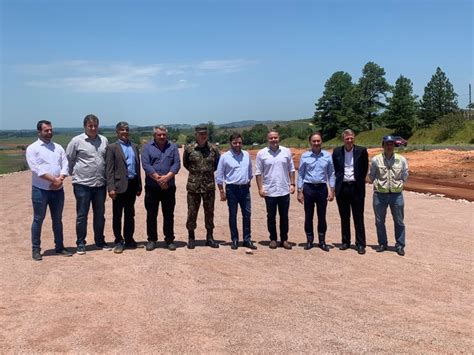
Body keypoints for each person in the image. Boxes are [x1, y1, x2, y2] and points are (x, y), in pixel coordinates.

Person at [26, 120, 72, 261]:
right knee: (38, 219)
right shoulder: (32, 149)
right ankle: (36, 249)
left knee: (57, 220)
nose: (49, 132)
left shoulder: (57, 147)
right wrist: (54, 180)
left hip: (58, 190)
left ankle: (59, 247)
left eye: (51, 130)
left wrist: (61, 179)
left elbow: (65, 164)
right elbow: (36, 169)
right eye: (46, 130)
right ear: (39, 132)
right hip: (40, 190)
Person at [66, 114, 111, 255]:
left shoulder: (104, 140)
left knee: (100, 214)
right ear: (85, 126)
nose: (93, 128)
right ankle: (80, 243)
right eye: (90, 126)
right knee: (82, 215)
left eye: (95, 125)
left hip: (100, 184)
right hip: (82, 185)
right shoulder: (76, 141)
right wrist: (75, 175)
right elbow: (68, 159)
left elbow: (106, 159)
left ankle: (99, 241)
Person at [141, 125, 181, 251]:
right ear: (155, 135)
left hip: (169, 187)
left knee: (168, 214)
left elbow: (176, 164)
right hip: (152, 187)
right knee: (151, 214)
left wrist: (166, 178)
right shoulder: (147, 147)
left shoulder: (173, 147)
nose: (162, 137)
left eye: (164, 134)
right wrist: (159, 179)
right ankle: (152, 240)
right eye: (159, 134)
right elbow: (146, 165)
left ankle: (169, 239)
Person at [105, 121, 142, 254]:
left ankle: (129, 239)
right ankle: (118, 241)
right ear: (117, 132)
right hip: (118, 186)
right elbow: (109, 170)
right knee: (117, 215)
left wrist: (139, 185)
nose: (125, 132)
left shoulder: (134, 146)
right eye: (122, 130)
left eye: (126, 129)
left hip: (132, 185)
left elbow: (137, 167)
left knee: (130, 214)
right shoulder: (112, 147)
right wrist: (111, 188)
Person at [369, 135, 409, 256]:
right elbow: (372, 175)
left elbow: (405, 175)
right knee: (379, 221)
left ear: (394, 145)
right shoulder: (376, 160)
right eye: (387, 144)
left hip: (396, 195)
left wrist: (400, 184)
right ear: (383, 145)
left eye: (391, 144)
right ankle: (382, 243)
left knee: (399, 221)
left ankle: (400, 245)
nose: (389, 146)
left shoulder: (401, 159)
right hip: (380, 195)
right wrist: (378, 184)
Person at [255, 130, 296, 249]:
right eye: (271, 138)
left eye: (275, 138)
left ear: (279, 138)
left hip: (284, 189)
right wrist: (260, 188)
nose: (273, 140)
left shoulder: (286, 151)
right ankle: (273, 239)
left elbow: (291, 169)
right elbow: (258, 172)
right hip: (269, 190)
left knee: (284, 216)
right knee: (271, 216)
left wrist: (292, 184)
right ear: (268, 139)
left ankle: (284, 239)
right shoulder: (261, 153)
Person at [216, 133, 257, 250]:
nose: (238, 145)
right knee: (233, 215)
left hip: (244, 189)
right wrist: (221, 191)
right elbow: (219, 175)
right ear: (231, 143)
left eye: (239, 142)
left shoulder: (247, 155)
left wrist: (248, 182)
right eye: (235, 143)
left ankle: (247, 239)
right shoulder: (225, 157)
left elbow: (250, 172)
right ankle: (234, 239)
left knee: (247, 215)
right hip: (231, 189)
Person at [332, 129, 369, 255]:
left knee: (358, 217)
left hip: (356, 188)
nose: (349, 140)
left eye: (351, 138)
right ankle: (345, 241)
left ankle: (360, 244)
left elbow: (364, 169)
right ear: (343, 139)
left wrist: (358, 180)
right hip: (342, 188)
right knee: (344, 216)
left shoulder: (362, 151)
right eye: (347, 138)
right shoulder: (337, 152)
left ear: (354, 138)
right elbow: (335, 169)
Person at [183, 126, 220, 249]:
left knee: (209, 213)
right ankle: (191, 237)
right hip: (194, 187)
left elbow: (216, 165)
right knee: (192, 213)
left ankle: (210, 237)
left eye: (205, 133)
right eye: (200, 134)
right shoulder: (189, 149)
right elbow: (186, 164)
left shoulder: (213, 149)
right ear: (196, 135)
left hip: (209, 187)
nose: (203, 136)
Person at [297, 132, 335, 251]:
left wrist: (332, 190)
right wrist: (299, 190)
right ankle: (309, 240)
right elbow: (301, 174)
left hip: (322, 188)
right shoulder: (305, 156)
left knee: (322, 216)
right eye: (314, 141)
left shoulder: (327, 156)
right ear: (310, 142)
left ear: (321, 142)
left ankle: (322, 241)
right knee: (308, 216)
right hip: (308, 188)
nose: (316, 143)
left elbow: (331, 173)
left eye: (318, 141)